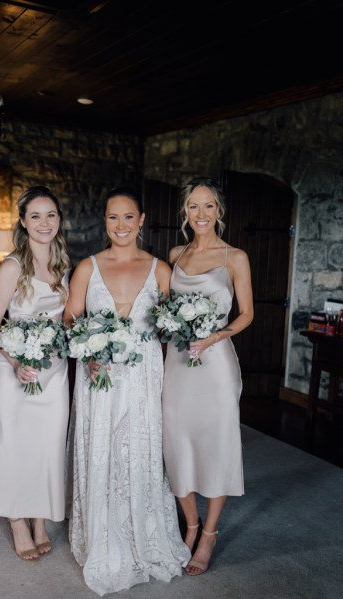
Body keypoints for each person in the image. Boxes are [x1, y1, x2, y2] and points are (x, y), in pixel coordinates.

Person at [64, 186, 190, 596]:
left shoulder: (160, 270)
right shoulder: (87, 267)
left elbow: (172, 328)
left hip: (143, 376)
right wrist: (88, 353)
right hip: (99, 376)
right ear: (105, 222)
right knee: (102, 448)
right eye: (112, 217)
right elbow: (71, 321)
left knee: (140, 450)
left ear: (141, 220)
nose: (120, 225)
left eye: (127, 217)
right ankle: (102, 536)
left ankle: (145, 534)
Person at [162, 176, 254, 576]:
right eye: (193, 207)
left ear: (219, 211)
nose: (201, 214)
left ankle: (210, 534)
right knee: (176, 441)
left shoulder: (235, 256)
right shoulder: (175, 253)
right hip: (178, 363)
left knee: (215, 445)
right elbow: (163, 308)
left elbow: (247, 314)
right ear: (186, 212)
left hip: (215, 366)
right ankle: (191, 524)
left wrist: (214, 336)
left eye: (208, 206)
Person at [0, 185, 71, 560]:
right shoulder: (12, 267)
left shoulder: (65, 265)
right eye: (35, 216)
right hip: (14, 369)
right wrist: (17, 362)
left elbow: (67, 320)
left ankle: (40, 518)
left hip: (54, 372)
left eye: (50, 215)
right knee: (13, 446)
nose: (44, 223)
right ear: (23, 221)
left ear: (58, 219)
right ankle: (18, 519)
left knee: (47, 447)